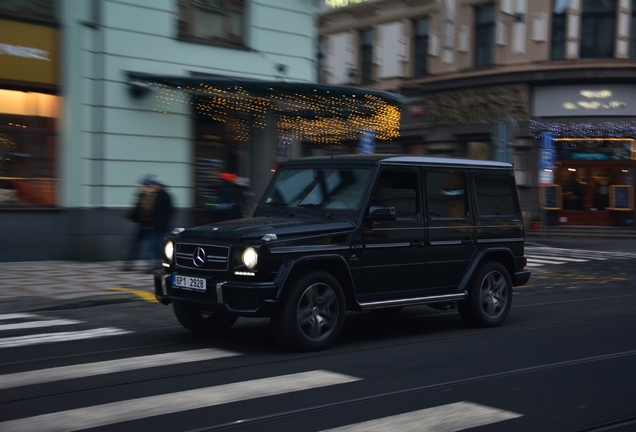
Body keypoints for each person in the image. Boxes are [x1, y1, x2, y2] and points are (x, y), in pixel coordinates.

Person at [122, 175, 174, 272]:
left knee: (156, 248)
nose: (147, 187)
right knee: (136, 244)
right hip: (145, 226)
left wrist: (159, 224)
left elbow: (167, 213)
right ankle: (129, 264)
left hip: (159, 227)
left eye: (150, 185)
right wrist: (130, 218)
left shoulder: (164, 196)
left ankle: (155, 266)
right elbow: (138, 208)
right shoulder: (144, 195)